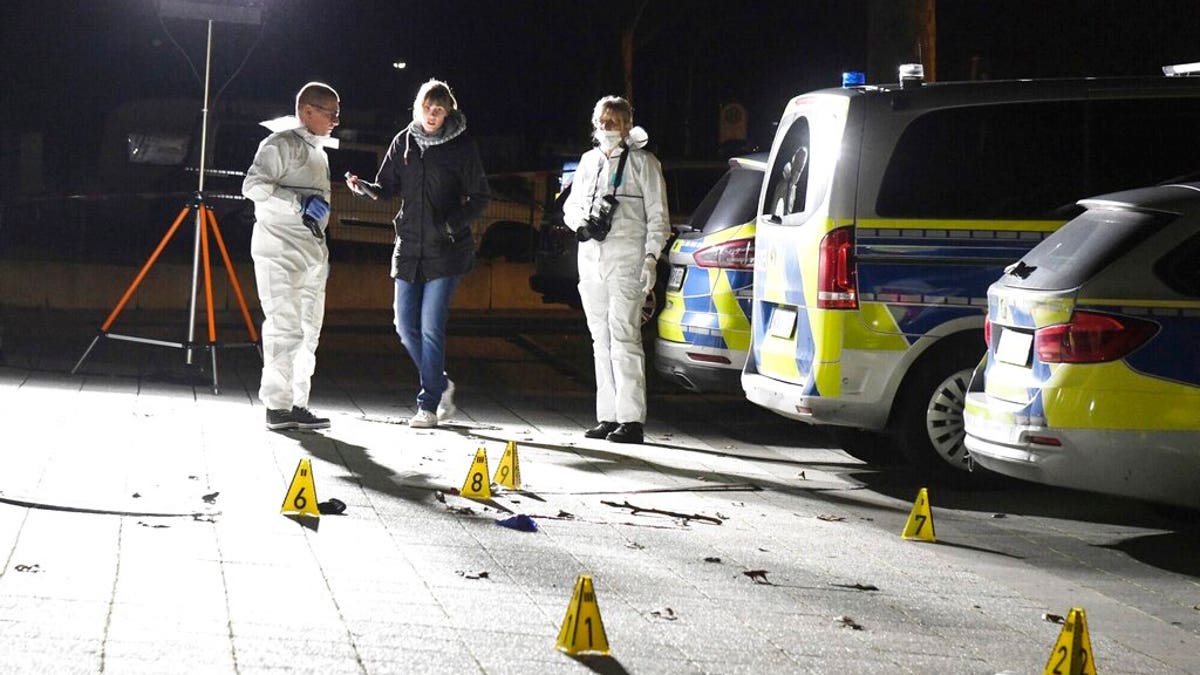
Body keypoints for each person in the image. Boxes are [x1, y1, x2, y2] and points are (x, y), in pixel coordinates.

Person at [345, 79, 489, 429]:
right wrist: (365, 189)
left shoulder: (462, 146)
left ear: (449, 111)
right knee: (403, 325)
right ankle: (441, 384)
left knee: (430, 327)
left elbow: (481, 198)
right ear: (418, 108)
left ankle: (428, 403)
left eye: (439, 108)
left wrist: (451, 226)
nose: (432, 114)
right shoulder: (403, 141)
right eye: (427, 107)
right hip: (408, 246)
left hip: (447, 250)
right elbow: (387, 189)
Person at [562, 96, 669, 444]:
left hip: (627, 257)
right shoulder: (588, 161)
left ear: (627, 125)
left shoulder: (644, 163)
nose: (608, 126)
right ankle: (607, 415)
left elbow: (658, 216)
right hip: (591, 256)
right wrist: (581, 223)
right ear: (595, 123)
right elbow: (572, 205)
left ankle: (632, 420)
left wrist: (651, 257)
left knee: (624, 336)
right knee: (600, 338)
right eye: (604, 120)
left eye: (615, 121)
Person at [242, 82, 339, 431]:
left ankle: (298, 403)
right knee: (284, 327)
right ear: (307, 111)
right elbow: (253, 187)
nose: (336, 120)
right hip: (278, 251)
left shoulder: (319, 151)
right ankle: (276, 406)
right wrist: (297, 202)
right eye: (331, 113)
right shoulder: (279, 144)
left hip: (312, 252)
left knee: (308, 330)